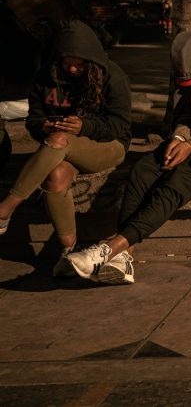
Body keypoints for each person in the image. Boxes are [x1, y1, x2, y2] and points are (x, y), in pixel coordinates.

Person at [66, 31, 191, 284]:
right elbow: (182, 113)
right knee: (142, 172)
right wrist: (180, 138)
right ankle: (124, 256)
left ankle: (107, 250)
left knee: (176, 184)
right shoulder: (184, 72)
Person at [0, 21, 131, 276]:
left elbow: (120, 126)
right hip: (60, 148)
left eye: (79, 64)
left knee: (61, 140)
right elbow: (33, 119)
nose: (72, 69)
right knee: (56, 175)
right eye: (67, 63)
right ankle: (68, 253)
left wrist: (84, 126)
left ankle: (6, 209)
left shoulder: (112, 76)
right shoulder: (46, 76)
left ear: (91, 60)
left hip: (108, 146)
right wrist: (44, 126)